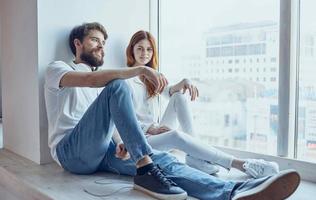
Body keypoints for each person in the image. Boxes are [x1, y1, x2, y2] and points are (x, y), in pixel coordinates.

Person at [44, 22, 300, 200]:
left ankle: (232, 191)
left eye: (103, 42)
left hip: (100, 151)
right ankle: (145, 170)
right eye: (95, 41)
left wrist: (122, 143)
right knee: (118, 87)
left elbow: (108, 122)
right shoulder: (58, 69)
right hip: (70, 152)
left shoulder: (101, 82)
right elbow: (89, 81)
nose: (101, 46)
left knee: (163, 161)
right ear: (77, 44)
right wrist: (140, 70)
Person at [123, 30, 279, 178]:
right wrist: (151, 128)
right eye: (140, 49)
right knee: (176, 134)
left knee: (179, 97)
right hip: (143, 140)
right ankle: (242, 164)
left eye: (149, 49)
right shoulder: (125, 80)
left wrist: (185, 82)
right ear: (132, 50)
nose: (145, 53)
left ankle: (195, 158)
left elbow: (170, 91)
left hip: (159, 133)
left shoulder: (153, 77)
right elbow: (121, 120)